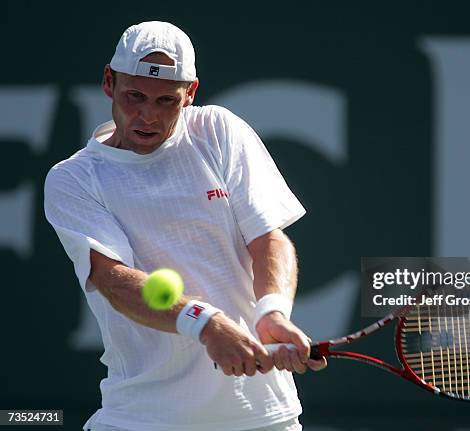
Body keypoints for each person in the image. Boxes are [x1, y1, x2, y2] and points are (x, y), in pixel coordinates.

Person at [44, 21, 325, 431]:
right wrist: (206, 323)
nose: (147, 115)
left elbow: (268, 238)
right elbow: (114, 281)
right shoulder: (74, 179)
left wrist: (273, 312)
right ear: (109, 82)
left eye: (166, 101)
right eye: (134, 96)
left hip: (263, 418)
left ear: (190, 94)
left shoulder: (218, 131)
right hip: (140, 419)